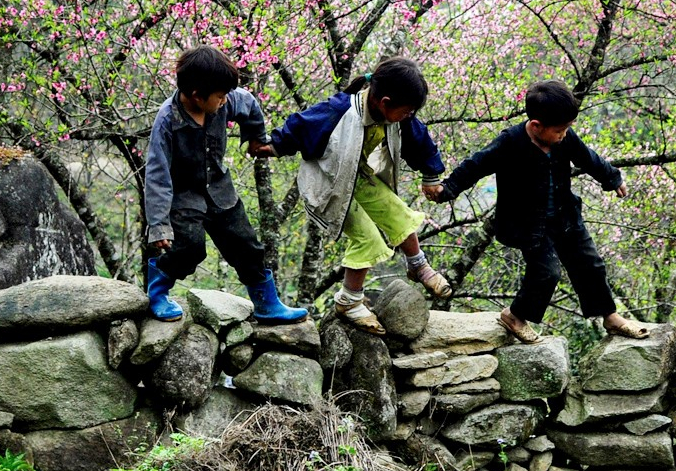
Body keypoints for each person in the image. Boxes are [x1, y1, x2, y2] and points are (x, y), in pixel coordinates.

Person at [424, 79, 649, 343]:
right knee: (546, 272)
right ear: (536, 126)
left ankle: (610, 316)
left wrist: (612, 179)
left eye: (567, 129)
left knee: (591, 265)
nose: (563, 135)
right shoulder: (510, 143)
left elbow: (588, 157)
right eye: (559, 130)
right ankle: (514, 315)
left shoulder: (565, 140)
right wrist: (447, 189)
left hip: (566, 216)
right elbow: (476, 165)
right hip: (529, 224)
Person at [252, 56, 451, 335]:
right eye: (406, 111)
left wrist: (431, 176)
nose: (409, 117)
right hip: (327, 185)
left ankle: (417, 265)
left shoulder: (398, 116)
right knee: (367, 238)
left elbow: (420, 141)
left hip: (358, 178)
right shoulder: (340, 111)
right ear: (384, 102)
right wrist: (272, 146)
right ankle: (349, 300)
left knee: (398, 212)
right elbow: (301, 125)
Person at [142, 46, 308, 325]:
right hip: (184, 196)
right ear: (197, 95)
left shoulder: (226, 100)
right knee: (189, 249)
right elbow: (157, 175)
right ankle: (157, 293)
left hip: (220, 190)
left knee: (247, 246)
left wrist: (256, 137)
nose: (224, 101)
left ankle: (267, 304)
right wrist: (159, 225)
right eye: (219, 96)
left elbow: (250, 105)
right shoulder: (168, 120)